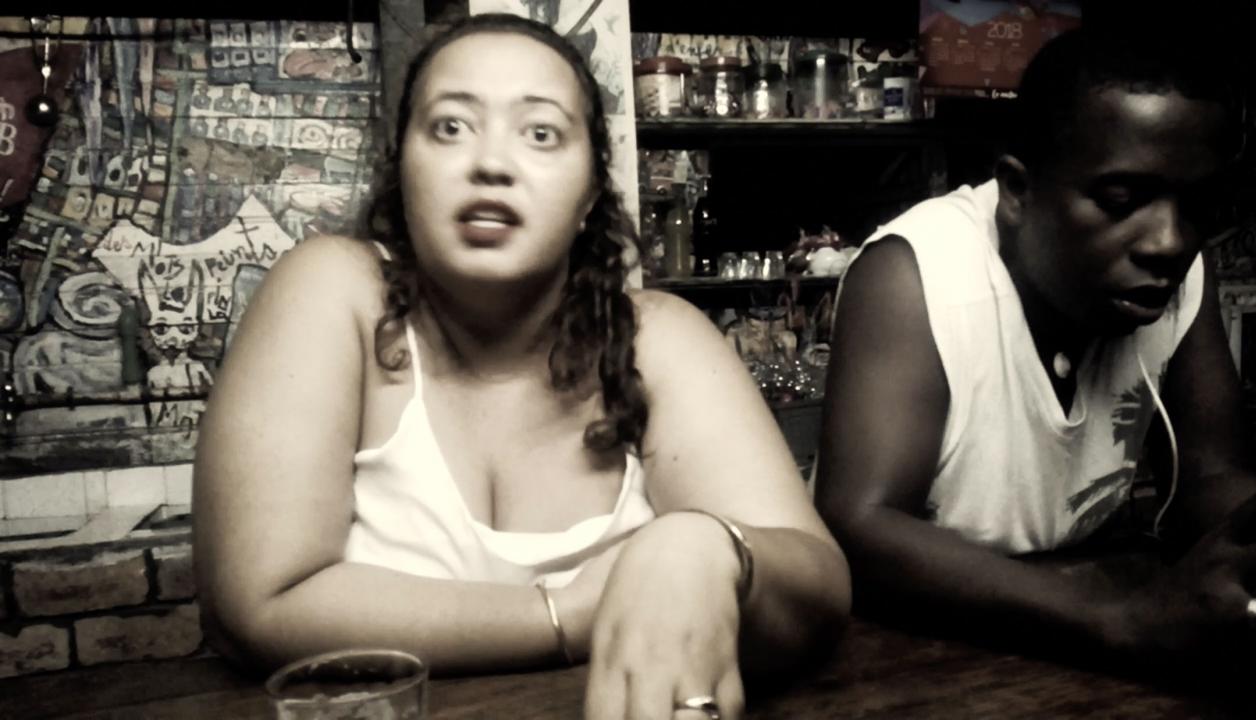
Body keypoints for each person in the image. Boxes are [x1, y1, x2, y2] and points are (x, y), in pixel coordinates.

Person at [193, 13, 849, 719]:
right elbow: (260, 604)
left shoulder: (657, 338)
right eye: (450, 126)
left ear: (590, 192)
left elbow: (818, 585)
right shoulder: (333, 291)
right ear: (401, 165)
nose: (491, 163)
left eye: (540, 133)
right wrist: (566, 613)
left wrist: (711, 548)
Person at [814, 25, 1256, 669]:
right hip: (910, 653)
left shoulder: (1178, 271)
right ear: (1017, 191)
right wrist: (1118, 620)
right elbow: (860, 525)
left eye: (1197, 205)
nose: (1169, 241)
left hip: (1064, 646)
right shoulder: (916, 275)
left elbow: (1209, 475)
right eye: (1120, 200)